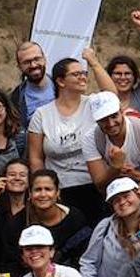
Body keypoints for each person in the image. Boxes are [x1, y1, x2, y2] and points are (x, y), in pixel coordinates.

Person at [27, 57, 107, 224]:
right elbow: (36, 158)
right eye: (76, 74)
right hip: (61, 192)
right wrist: (44, 190)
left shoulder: (93, 104)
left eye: (84, 73)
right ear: (61, 81)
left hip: (96, 186)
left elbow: (112, 96)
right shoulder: (42, 114)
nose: (83, 77)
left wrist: (94, 61)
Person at [0, 169, 92, 273]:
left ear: (57, 192)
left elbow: (84, 259)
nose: (43, 194)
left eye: (48, 189)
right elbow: (10, 264)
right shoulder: (17, 223)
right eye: (38, 189)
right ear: (30, 193)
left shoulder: (75, 218)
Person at [83, 90, 140, 191]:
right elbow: (99, 184)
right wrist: (115, 167)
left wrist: (139, 175)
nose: (110, 124)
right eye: (103, 120)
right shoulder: (91, 138)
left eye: (114, 116)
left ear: (122, 110)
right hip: (115, 192)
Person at [11, 41, 54, 130]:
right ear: (19, 66)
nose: (33, 65)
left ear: (44, 59)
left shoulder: (63, 86)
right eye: (27, 62)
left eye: (37, 59)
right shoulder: (16, 98)